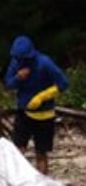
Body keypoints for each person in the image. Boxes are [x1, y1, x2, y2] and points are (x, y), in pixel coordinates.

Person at [5, 36, 68, 175]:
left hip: (44, 115)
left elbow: (63, 83)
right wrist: (18, 78)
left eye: (25, 59)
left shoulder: (44, 63)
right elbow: (8, 83)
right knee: (18, 150)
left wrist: (42, 96)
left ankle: (42, 185)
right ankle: (16, 183)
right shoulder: (15, 63)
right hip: (24, 112)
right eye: (19, 59)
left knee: (41, 152)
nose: (22, 62)